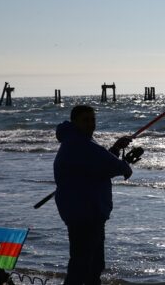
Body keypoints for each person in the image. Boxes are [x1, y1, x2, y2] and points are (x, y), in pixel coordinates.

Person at [54, 105, 134, 285]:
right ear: (74, 122)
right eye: (85, 120)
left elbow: (96, 164)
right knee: (83, 264)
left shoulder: (79, 140)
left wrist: (115, 148)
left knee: (93, 264)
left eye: (93, 120)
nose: (91, 124)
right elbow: (107, 163)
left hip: (87, 211)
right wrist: (125, 168)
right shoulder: (79, 142)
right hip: (84, 212)